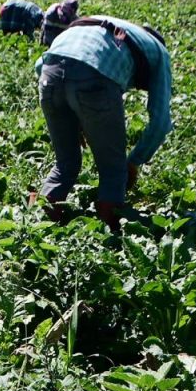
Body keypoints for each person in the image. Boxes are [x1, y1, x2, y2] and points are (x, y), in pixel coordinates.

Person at [35, 15, 172, 233]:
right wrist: (133, 163)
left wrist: (73, 115)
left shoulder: (110, 30)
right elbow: (161, 122)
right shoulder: (159, 52)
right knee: (114, 171)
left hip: (49, 74)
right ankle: (109, 239)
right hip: (95, 78)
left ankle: (36, 228)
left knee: (65, 163)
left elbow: (39, 64)